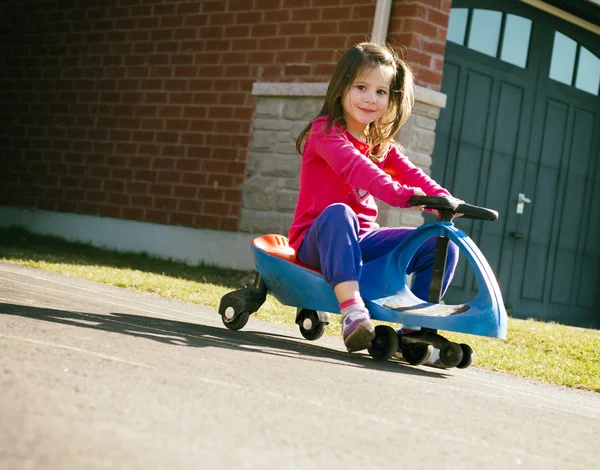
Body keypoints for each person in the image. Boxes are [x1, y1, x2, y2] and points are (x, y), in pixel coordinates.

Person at [288, 42, 461, 353]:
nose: (371, 99)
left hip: (364, 239)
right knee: (340, 213)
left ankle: (415, 329)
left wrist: (443, 199)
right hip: (316, 240)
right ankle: (353, 312)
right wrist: (405, 196)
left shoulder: (380, 143)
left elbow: (413, 174)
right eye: (362, 87)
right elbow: (360, 170)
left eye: (381, 92)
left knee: (440, 244)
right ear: (342, 88)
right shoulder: (325, 133)